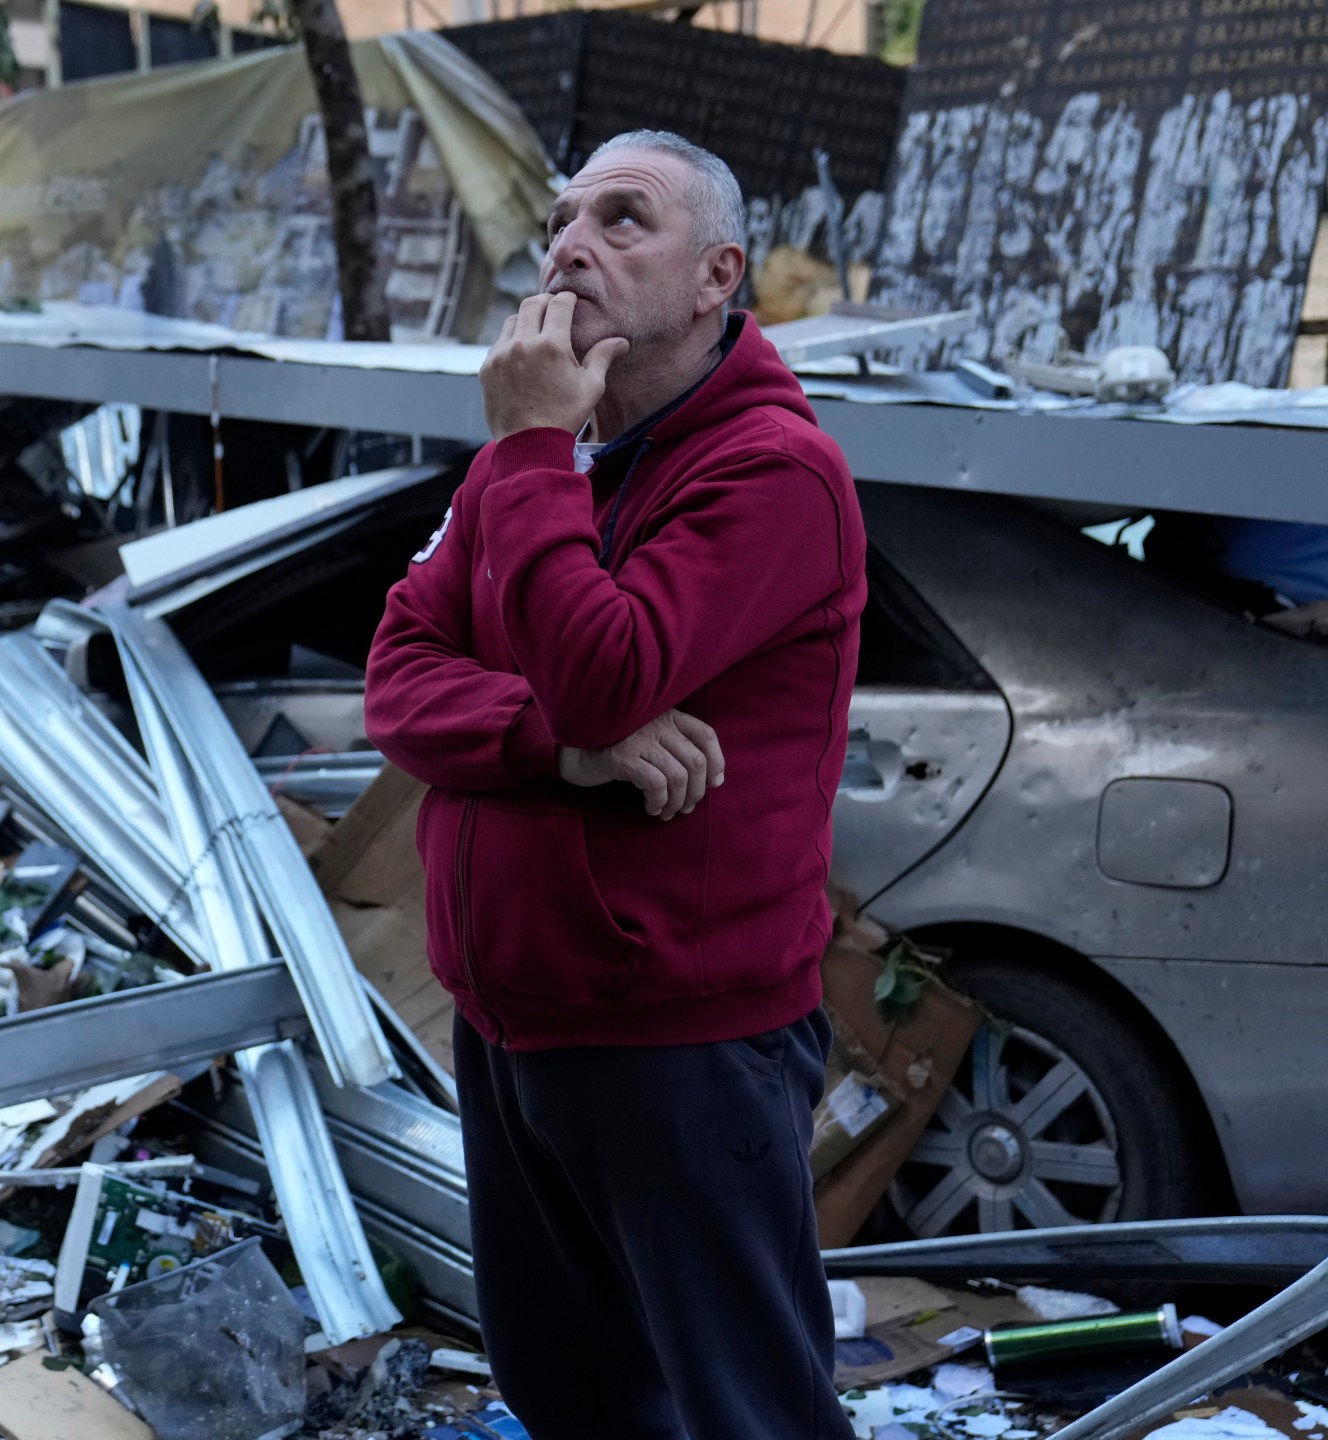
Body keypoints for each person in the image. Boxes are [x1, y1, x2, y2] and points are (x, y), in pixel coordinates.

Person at [362, 129, 866, 1440]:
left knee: (742, 1412)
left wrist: (531, 452)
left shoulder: (771, 473)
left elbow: (608, 668)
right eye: (564, 220)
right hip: (511, 1020)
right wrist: (553, 746)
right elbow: (398, 683)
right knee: (573, 1396)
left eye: (624, 220)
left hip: (678, 1040)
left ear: (717, 276)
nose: (573, 244)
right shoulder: (523, 472)